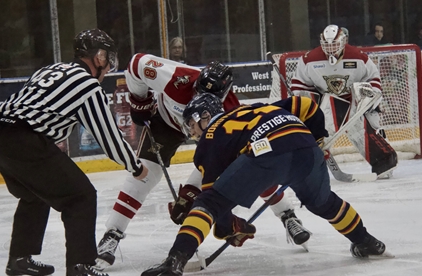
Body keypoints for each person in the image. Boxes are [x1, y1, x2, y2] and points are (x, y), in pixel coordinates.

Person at [96, 56, 310, 269]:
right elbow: (136, 64)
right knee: (143, 174)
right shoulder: (176, 79)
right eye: (199, 91)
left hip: (208, 136)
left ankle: (287, 214)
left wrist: (191, 194)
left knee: (252, 165)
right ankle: (113, 233)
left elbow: (212, 167)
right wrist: (140, 100)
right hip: (166, 123)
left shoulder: (229, 112)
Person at [140, 93, 391, 276]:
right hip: (306, 149)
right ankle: (367, 241)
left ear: (205, 116)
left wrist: (229, 228)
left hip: (267, 152)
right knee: (325, 203)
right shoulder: (254, 107)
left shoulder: (211, 138)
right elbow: (305, 105)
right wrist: (317, 137)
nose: (191, 133)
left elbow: (213, 203)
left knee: (208, 203)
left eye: (191, 125)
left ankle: (175, 260)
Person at [0, 29, 148, 276]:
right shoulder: (87, 85)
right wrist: (136, 166)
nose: (109, 66)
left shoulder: (52, 70)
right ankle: (81, 265)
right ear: (98, 57)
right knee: (81, 197)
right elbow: (108, 137)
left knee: (35, 194)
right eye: (108, 58)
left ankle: (18, 260)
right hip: (24, 139)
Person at [291, 24, 397, 179]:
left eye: (334, 44)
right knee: (323, 128)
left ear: (342, 41)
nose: (331, 49)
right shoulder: (310, 59)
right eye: (327, 45)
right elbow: (299, 84)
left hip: (356, 101)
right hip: (328, 102)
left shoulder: (358, 56)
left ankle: (383, 161)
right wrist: (304, 104)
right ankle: (309, 163)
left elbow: (373, 79)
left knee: (369, 127)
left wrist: (370, 98)